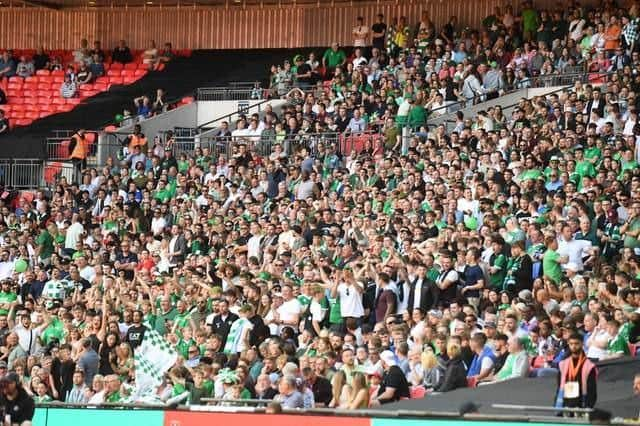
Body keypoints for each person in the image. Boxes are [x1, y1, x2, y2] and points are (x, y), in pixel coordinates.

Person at [555, 333, 597, 409]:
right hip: (566, 402)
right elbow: (559, 387)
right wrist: (557, 405)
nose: (573, 346)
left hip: (582, 402)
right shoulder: (563, 364)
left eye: (576, 344)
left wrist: (588, 407)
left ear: (582, 344)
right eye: (571, 344)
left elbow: (592, 390)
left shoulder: (589, 366)